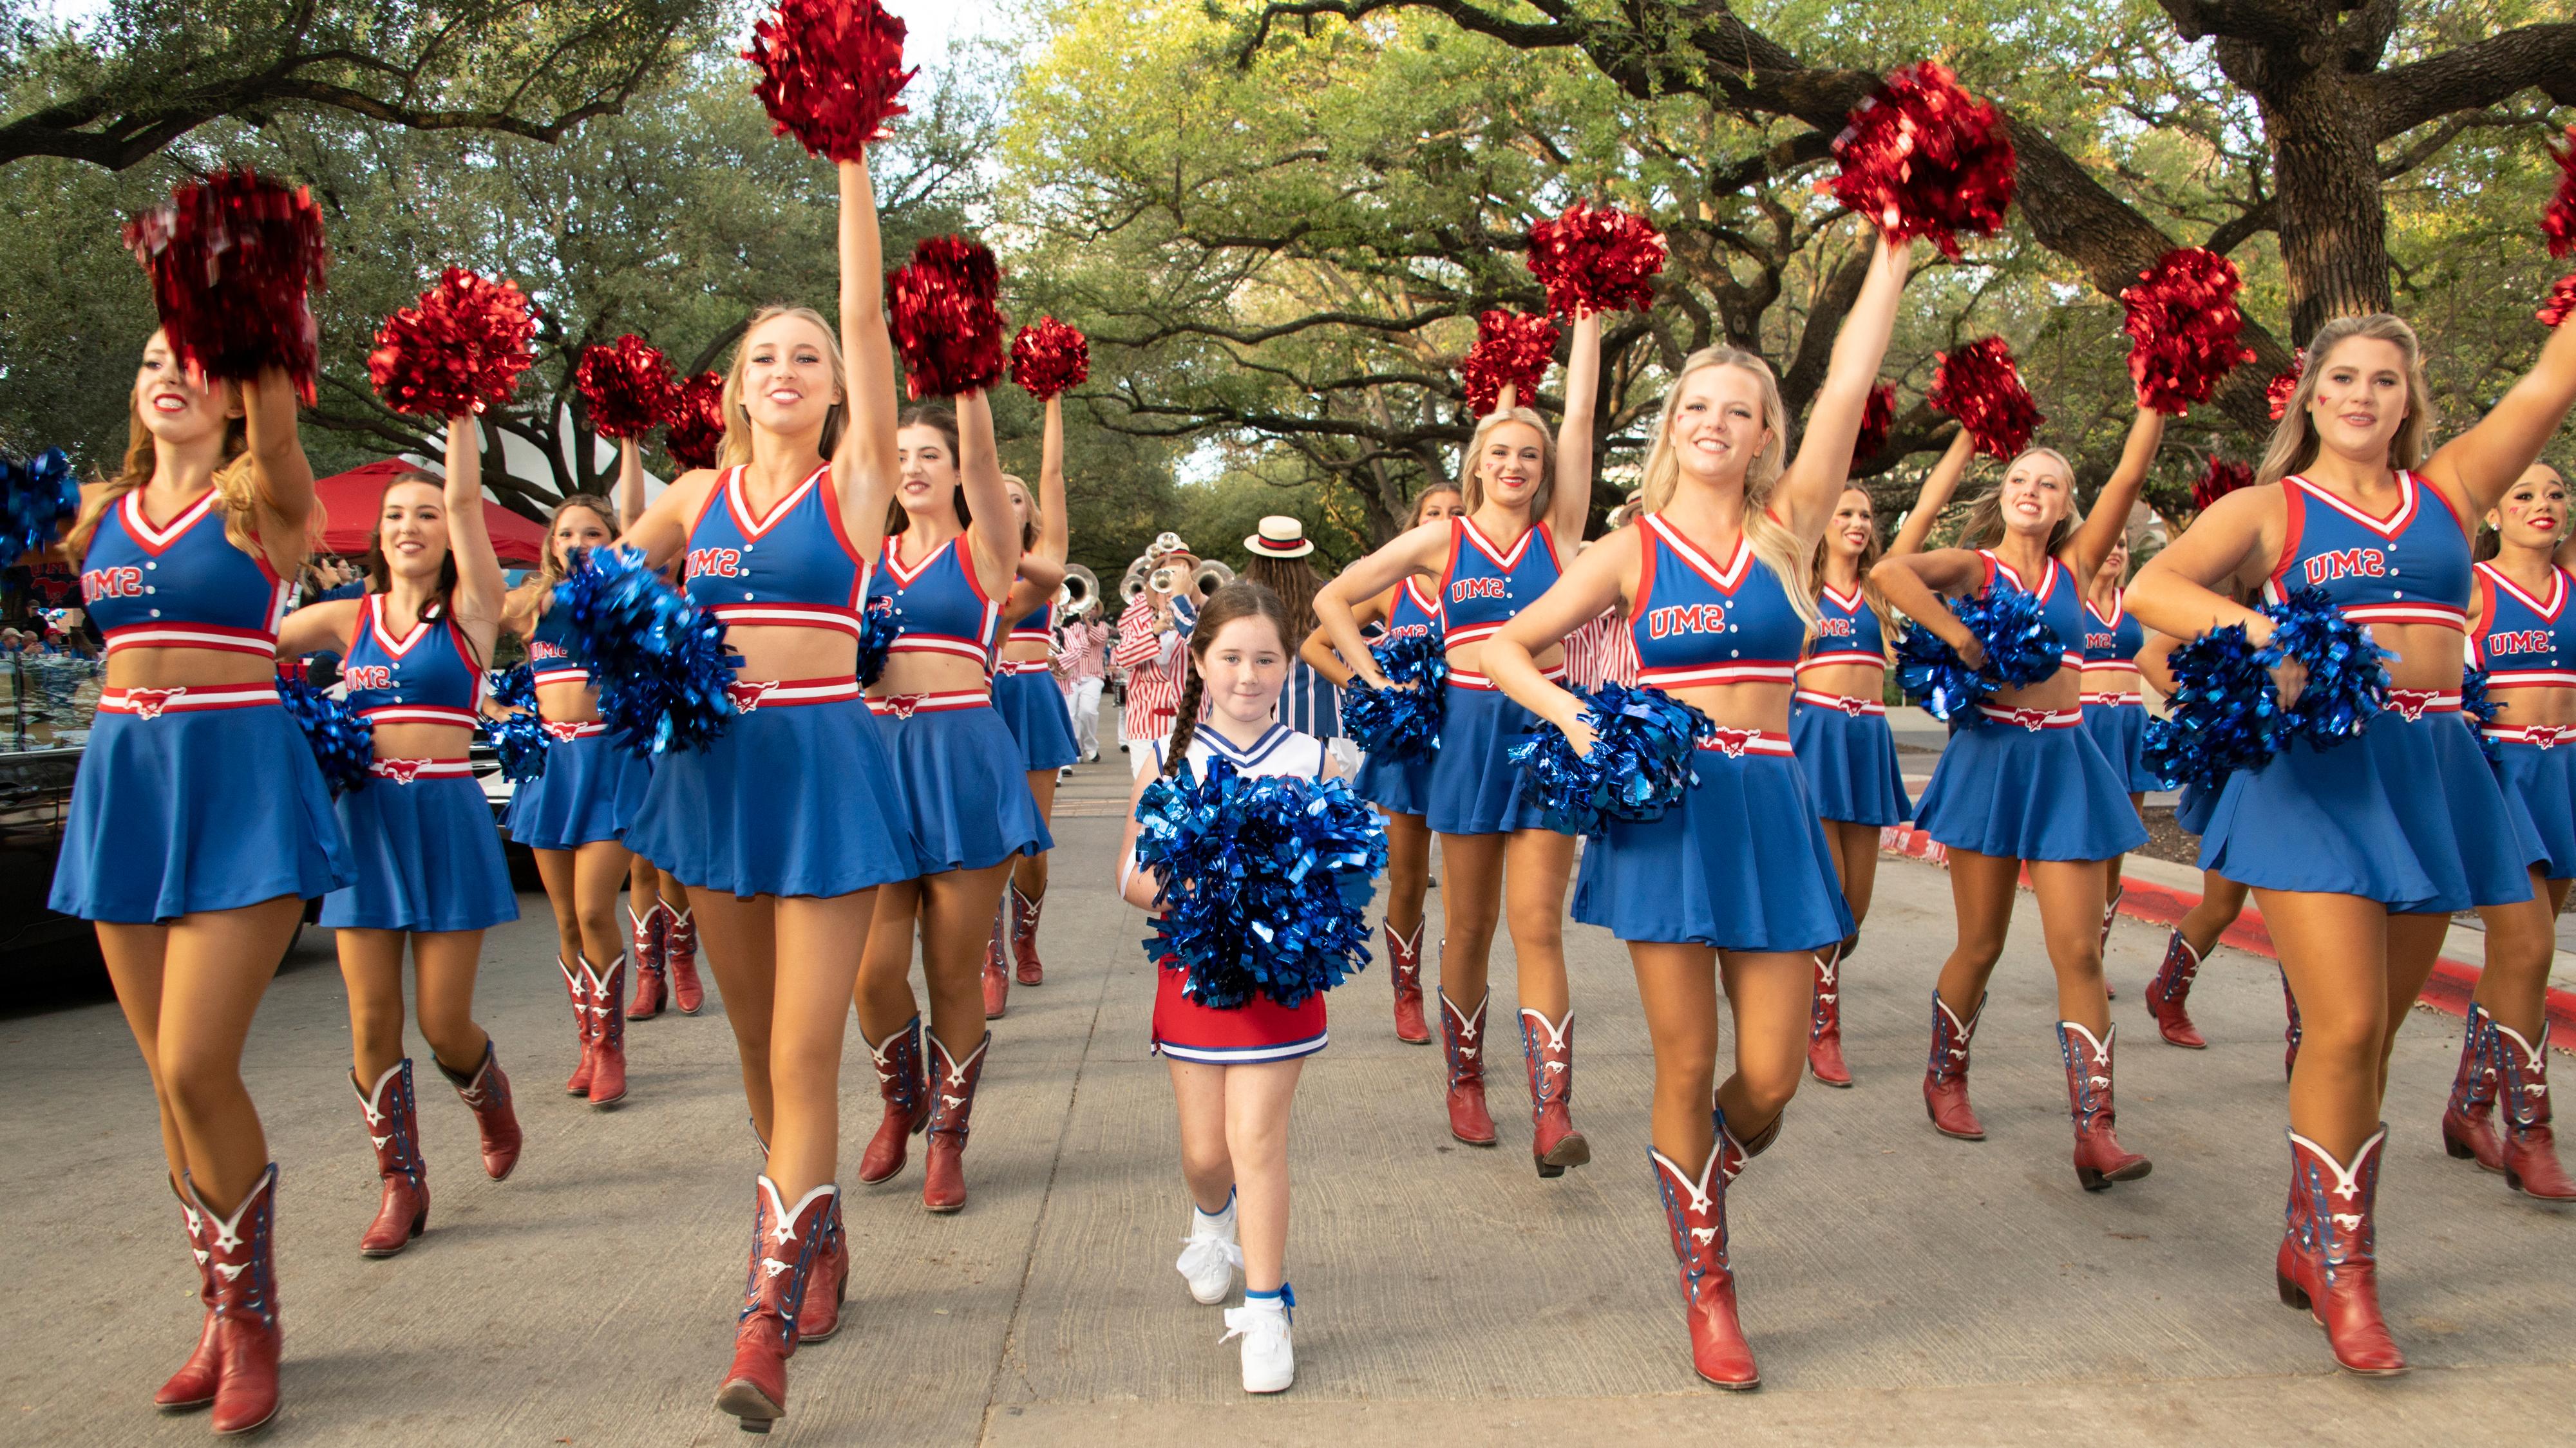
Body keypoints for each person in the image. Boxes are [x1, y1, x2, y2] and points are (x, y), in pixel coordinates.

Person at [1482, 228, 1911, 1387]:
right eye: (1695, 409)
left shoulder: (1791, 527)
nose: (1714, 425)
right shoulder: (1632, 547)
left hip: (1773, 799)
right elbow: (1513, 647)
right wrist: (1580, 716)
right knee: (1685, 1062)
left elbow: (1853, 385)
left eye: (1738, 411)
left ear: (1765, 432)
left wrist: (1894, 256)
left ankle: (1705, 1171)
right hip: (1666, 811)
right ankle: (1708, 1283)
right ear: (1671, 428)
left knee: (1767, 1075)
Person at [2126, 311, 2575, 1375]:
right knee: (2349, 1018)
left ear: (2409, 400)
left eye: (2384, 379)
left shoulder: (2456, 489)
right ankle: (2349, 1267)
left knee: (2373, 1042)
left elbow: (2555, 374)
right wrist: (2274, 633)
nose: (2364, 395)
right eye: (2343, 378)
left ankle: (2308, 1233)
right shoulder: (2270, 508)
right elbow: (2154, 590)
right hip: (2318, 778)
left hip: (2432, 773)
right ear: (2311, 396)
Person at [614, 156, 918, 1431]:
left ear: (840, 385)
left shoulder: (855, 489)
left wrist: (849, 161)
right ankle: (819, 1232)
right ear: (733, 387)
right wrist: (608, 643)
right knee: (755, 1045)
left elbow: (864, 314)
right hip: (711, 777)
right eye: (762, 357)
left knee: (804, 1049)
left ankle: (762, 1306)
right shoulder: (691, 496)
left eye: (807, 354)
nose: (786, 367)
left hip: (824, 774)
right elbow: (599, 599)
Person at [50, 334, 350, 1434]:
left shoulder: (267, 503)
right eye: (149, 359)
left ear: (234, 392)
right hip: (128, 783)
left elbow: (277, 424)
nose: (168, 372)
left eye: (196, 358)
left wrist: (257, 310)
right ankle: (221, 1313)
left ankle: (258, 1317)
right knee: (166, 1082)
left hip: (240, 782)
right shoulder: (93, 511)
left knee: (195, 1059)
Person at [1314, 316, 1600, 1175]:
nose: (1516, 466)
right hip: (1466, 736)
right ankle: (1465, 1082)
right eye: (1501, 453)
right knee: (1469, 924)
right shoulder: (1441, 541)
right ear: (1477, 464)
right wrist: (1379, 677)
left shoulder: (1564, 533)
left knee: (1538, 926)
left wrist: (1586, 315)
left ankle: (1554, 1109)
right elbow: (1334, 598)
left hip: (1544, 733)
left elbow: (1579, 416)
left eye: (1531, 456)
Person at [1875, 402, 2165, 1188]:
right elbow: (1888, 574)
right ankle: (1946, 1076)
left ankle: (2095, 1128)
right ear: (2001, 494)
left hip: (2065, 757)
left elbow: (2133, 473)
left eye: (2049, 482)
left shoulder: (2077, 564)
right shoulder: (1976, 565)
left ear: (2068, 503)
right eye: (2018, 478)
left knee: (2078, 948)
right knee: (1983, 943)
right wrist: (1961, 636)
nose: (2031, 489)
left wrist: (2151, 400)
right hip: (1990, 762)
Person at [276, 421, 522, 1254]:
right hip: (367, 822)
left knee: (443, 1021)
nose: (410, 526)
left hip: (447, 820)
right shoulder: (347, 618)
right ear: (375, 536)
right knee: (371, 1020)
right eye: (394, 516)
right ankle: (401, 1183)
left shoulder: (472, 612)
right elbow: (251, 643)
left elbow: (464, 499)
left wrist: (458, 411)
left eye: (424, 514)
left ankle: (488, 1096)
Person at [1119, 579, 1342, 1395]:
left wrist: (1294, 898)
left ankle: (1267, 1308)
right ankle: (1212, 1220)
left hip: (1280, 981)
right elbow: (1133, 877)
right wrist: (1219, 892)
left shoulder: (1316, 757)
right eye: (1231, 657)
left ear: (1288, 666)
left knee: (1258, 1143)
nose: (1248, 675)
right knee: (1207, 1154)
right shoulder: (1166, 756)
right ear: (1202, 664)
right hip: (1196, 976)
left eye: (1266, 659)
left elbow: (1347, 877)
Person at [850, 397, 1050, 1210]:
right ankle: (903, 1097)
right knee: (871, 974)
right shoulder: (858, 554)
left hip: (961, 761)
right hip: (872, 765)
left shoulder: (984, 550)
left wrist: (967, 389)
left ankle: (946, 1139)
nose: (913, 467)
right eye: (899, 453)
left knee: (951, 972)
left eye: (930, 453)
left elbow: (982, 468)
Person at [1792, 436, 1963, 1085]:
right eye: (1845, 514)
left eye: (1866, 515)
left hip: (1864, 743)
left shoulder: (1881, 591)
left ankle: (1807, 978)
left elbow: (1926, 507)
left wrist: (1968, 435)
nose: (1859, 524)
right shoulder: (1797, 589)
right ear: (1821, 526)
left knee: (1855, 910)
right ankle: (1822, 1032)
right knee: (1832, 900)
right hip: (1812, 739)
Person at [497, 480, 654, 1099]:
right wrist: (490, 706)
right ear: (551, 545)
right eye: (567, 533)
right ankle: (588, 1042)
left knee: (594, 909)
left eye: (593, 532)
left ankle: (612, 1049)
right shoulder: (530, 603)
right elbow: (458, 628)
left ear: (614, 541)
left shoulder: (627, 600)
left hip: (610, 762)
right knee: (564, 921)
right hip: (549, 767)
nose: (579, 542)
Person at [2447, 460, 2576, 1199]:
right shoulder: (2472, 585)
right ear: (2494, 513)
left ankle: (2469, 1106)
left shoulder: (2569, 591)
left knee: (2516, 957)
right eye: (2524, 494)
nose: (2542, 504)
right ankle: (2533, 1134)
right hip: (2502, 777)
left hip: (2563, 777)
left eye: (2555, 493)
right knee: (2528, 947)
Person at [1301, 485, 1464, 1044]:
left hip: (1466, 744)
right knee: (1409, 877)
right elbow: (1315, 646)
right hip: (1407, 752)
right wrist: (1375, 687)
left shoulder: (1482, 587)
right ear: (1415, 524)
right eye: (1434, 514)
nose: (1445, 523)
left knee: (1471, 891)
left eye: (1457, 514)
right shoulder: (1391, 589)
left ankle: (1461, 998)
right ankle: (1407, 993)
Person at [981, 395, 1075, 1006]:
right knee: (985, 837)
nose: (1009, 499)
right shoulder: (968, 558)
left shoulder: (1045, 560)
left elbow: (1052, 476)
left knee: (1031, 842)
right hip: (979, 699)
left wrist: (1051, 399)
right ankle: (989, 960)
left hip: (1034, 697)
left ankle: (1026, 937)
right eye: (999, 492)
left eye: (1018, 496)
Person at [2079, 530, 2161, 972]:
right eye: (2107, 541)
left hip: (2129, 727)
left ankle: (2099, 953)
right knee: (2089, 845)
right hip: (2086, 726)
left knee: (2119, 849)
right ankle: (2082, 952)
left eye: (2123, 545)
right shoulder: (2071, 600)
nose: (2114, 549)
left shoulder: (2135, 603)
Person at [1114, 561, 1191, 776]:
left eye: (1174, 593)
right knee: (1146, 788)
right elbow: (1123, 658)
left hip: (1187, 724)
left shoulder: (1195, 624)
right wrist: (1154, 632)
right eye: (1164, 592)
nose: (1168, 598)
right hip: (1145, 722)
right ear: (1155, 596)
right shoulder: (1138, 624)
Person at [1056, 601, 1109, 762]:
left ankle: (1091, 746)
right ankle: (1075, 748)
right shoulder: (1068, 627)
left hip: (1093, 675)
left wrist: (1085, 621)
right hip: (1073, 676)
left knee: (1088, 711)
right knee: (1071, 716)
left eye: (1092, 608)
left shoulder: (1101, 626)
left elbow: (1099, 640)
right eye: (1087, 608)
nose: (1089, 611)